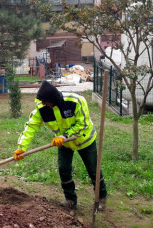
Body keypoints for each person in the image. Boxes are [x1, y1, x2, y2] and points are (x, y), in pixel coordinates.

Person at [13, 81, 107, 210]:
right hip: (64, 143)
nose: (43, 104)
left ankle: (101, 197)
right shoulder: (42, 108)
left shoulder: (76, 100)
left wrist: (64, 136)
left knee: (93, 170)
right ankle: (70, 199)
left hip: (85, 140)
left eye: (46, 101)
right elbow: (31, 126)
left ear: (54, 99)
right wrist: (21, 147)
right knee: (64, 170)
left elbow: (83, 124)